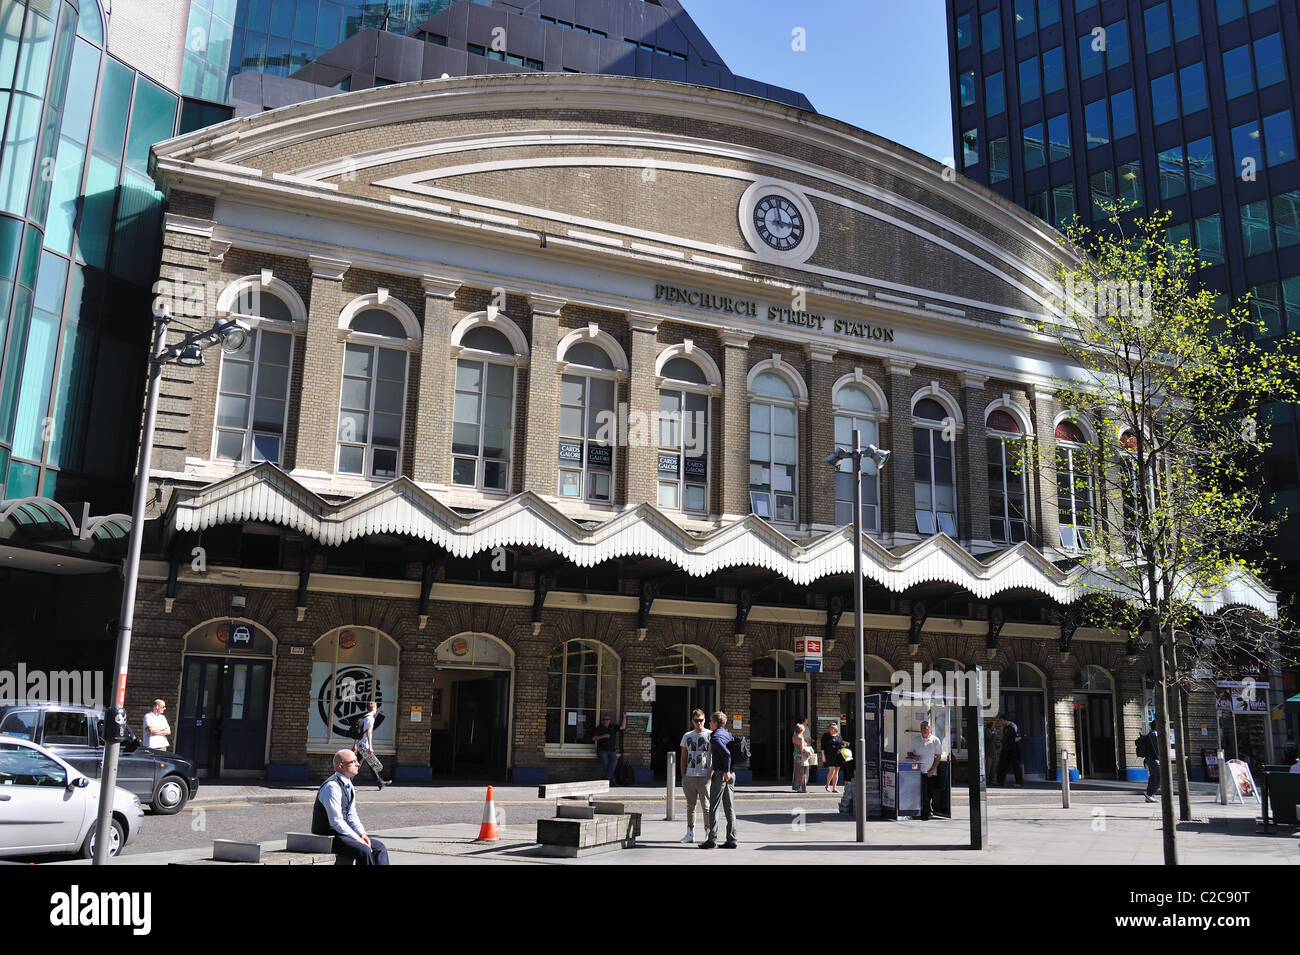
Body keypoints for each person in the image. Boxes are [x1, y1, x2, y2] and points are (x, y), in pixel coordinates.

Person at [311, 749, 390, 865]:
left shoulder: (349, 785)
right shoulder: (332, 787)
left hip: (342, 834)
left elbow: (352, 815)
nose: (358, 764)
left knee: (379, 847)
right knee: (363, 850)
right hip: (327, 836)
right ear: (341, 766)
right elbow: (336, 822)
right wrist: (357, 839)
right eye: (353, 762)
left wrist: (362, 834)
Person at [701, 711, 737, 849]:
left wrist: (726, 771)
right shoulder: (727, 734)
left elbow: (727, 754)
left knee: (714, 807)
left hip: (722, 774)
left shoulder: (715, 737)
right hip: (731, 774)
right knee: (730, 808)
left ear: (715, 723)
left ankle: (712, 840)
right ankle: (732, 839)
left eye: (710, 721)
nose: (709, 723)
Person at [678, 708, 711, 843]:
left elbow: (713, 756)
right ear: (692, 721)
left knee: (706, 806)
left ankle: (708, 833)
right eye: (697, 721)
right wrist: (683, 774)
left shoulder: (710, 735)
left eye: (701, 720)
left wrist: (710, 774)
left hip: (704, 776)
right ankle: (690, 833)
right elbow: (683, 756)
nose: (699, 723)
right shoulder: (687, 736)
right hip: (690, 776)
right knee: (690, 806)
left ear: (705, 720)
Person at [906, 720, 945, 819]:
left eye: (925, 727)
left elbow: (938, 757)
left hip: (931, 772)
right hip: (919, 771)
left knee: (932, 793)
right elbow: (909, 754)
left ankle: (932, 810)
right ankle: (926, 812)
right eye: (922, 728)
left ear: (930, 729)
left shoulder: (935, 740)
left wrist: (932, 769)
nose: (923, 729)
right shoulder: (916, 740)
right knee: (924, 793)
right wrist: (914, 756)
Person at [355, 700, 393, 790]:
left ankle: (380, 782)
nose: (376, 710)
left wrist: (355, 744)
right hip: (365, 745)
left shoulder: (364, 717)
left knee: (371, 763)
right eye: (376, 708)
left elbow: (358, 733)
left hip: (361, 744)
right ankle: (347, 782)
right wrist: (370, 747)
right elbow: (369, 733)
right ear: (374, 708)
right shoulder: (371, 719)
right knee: (357, 765)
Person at [592, 713, 626, 782]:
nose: (605, 721)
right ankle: (611, 779)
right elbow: (593, 738)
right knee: (606, 765)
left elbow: (623, 727)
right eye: (604, 719)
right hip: (602, 750)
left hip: (612, 750)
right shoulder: (599, 728)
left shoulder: (613, 727)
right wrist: (603, 736)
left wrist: (624, 718)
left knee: (614, 762)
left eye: (607, 719)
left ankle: (608, 778)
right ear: (602, 720)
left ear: (610, 720)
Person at [995, 714, 1023, 786]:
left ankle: (1019, 782)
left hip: (1014, 749)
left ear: (1005, 720)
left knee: (1016, 766)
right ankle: (1000, 781)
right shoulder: (1005, 728)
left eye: (1001, 721)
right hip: (1006, 749)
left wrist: (1010, 743)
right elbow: (1004, 738)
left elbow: (1019, 737)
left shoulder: (1013, 726)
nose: (1000, 722)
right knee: (1002, 765)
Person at [820, 722, 844, 792]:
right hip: (829, 755)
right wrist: (823, 756)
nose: (832, 730)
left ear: (836, 729)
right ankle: (827, 785)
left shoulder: (839, 736)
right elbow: (822, 747)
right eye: (831, 728)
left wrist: (844, 745)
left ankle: (834, 788)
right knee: (832, 770)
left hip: (838, 755)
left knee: (836, 771)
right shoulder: (825, 736)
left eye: (833, 729)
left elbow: (840, 744)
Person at [1142, 722, 1161, 802]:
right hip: (1153, 759)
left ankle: (1149, 795)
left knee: (1154, 776)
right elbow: (1155, 747)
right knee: (1159, 776)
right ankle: (1150, 793)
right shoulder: (1153, 734)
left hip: (1151, 758)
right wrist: (1160, 757)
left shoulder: (1152, 734)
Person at [792, 722, 812, 793]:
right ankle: (802, 788)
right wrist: (809, 751)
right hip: (801, 756)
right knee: (803, 772)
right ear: (801, 730)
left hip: (795, 755)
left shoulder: (794, 737)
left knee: (797, 772)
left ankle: (797, 787)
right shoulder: (801, 738)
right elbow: (802, 749)